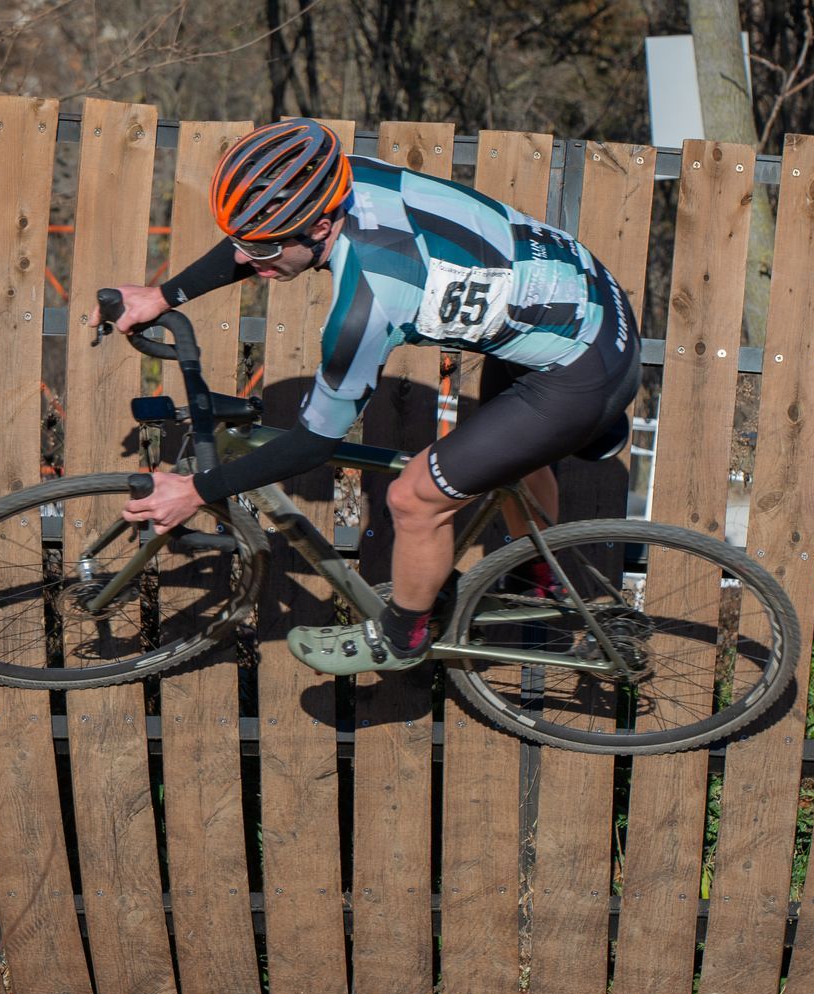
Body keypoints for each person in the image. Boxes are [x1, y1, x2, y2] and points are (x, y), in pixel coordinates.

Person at [101, 118, 639, 676]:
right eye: (245, 245)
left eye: (262, 251)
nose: (252, 266)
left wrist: (195, 491)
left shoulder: (372, 297)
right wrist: (163, 294)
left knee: (415, 499)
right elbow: (262, 235)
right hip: (579, 298)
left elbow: (314, 443)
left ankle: (404, 635)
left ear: (320, 226)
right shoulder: (343, 179)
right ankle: (538, 577)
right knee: (511, 453)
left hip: (576, 367)